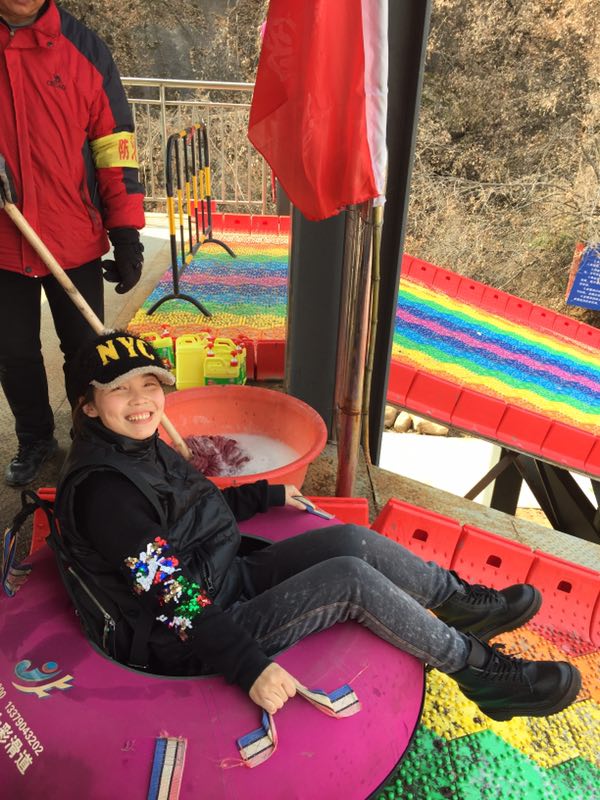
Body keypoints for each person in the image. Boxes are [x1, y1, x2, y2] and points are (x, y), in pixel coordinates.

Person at [55, 332, 582, 722]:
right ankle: (480, 674)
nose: (141, 400)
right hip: (183, 634)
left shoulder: (138, 446)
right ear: (88, 406)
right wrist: (247, 665)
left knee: (349, 539)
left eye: (149, 384)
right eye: (120, 390)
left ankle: (458, 603)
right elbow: (171, 595)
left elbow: (191, 509)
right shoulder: (106, 494)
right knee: (349, 579)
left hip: (222, 577)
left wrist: (263, 495)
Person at [0, 0, 145, 487]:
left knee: (85, 350)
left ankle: (90, 439)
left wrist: (126, 233)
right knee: (13, 351)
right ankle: (35, 438)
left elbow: (114, 145)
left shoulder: (85, 50)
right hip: (3, 242)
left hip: (72, 236)